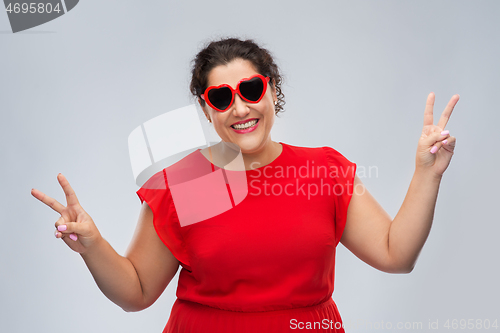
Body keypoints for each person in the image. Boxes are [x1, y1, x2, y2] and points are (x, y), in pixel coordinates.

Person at [31, 38, 459, 332]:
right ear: (206, 109)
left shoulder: (321, 171)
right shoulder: (191, 185)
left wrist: (427, 173)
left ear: (272, 90)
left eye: (251, 89)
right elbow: (137, 291)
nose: (239, 108)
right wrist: (92, 244)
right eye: (221, 98)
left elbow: (396, 254)